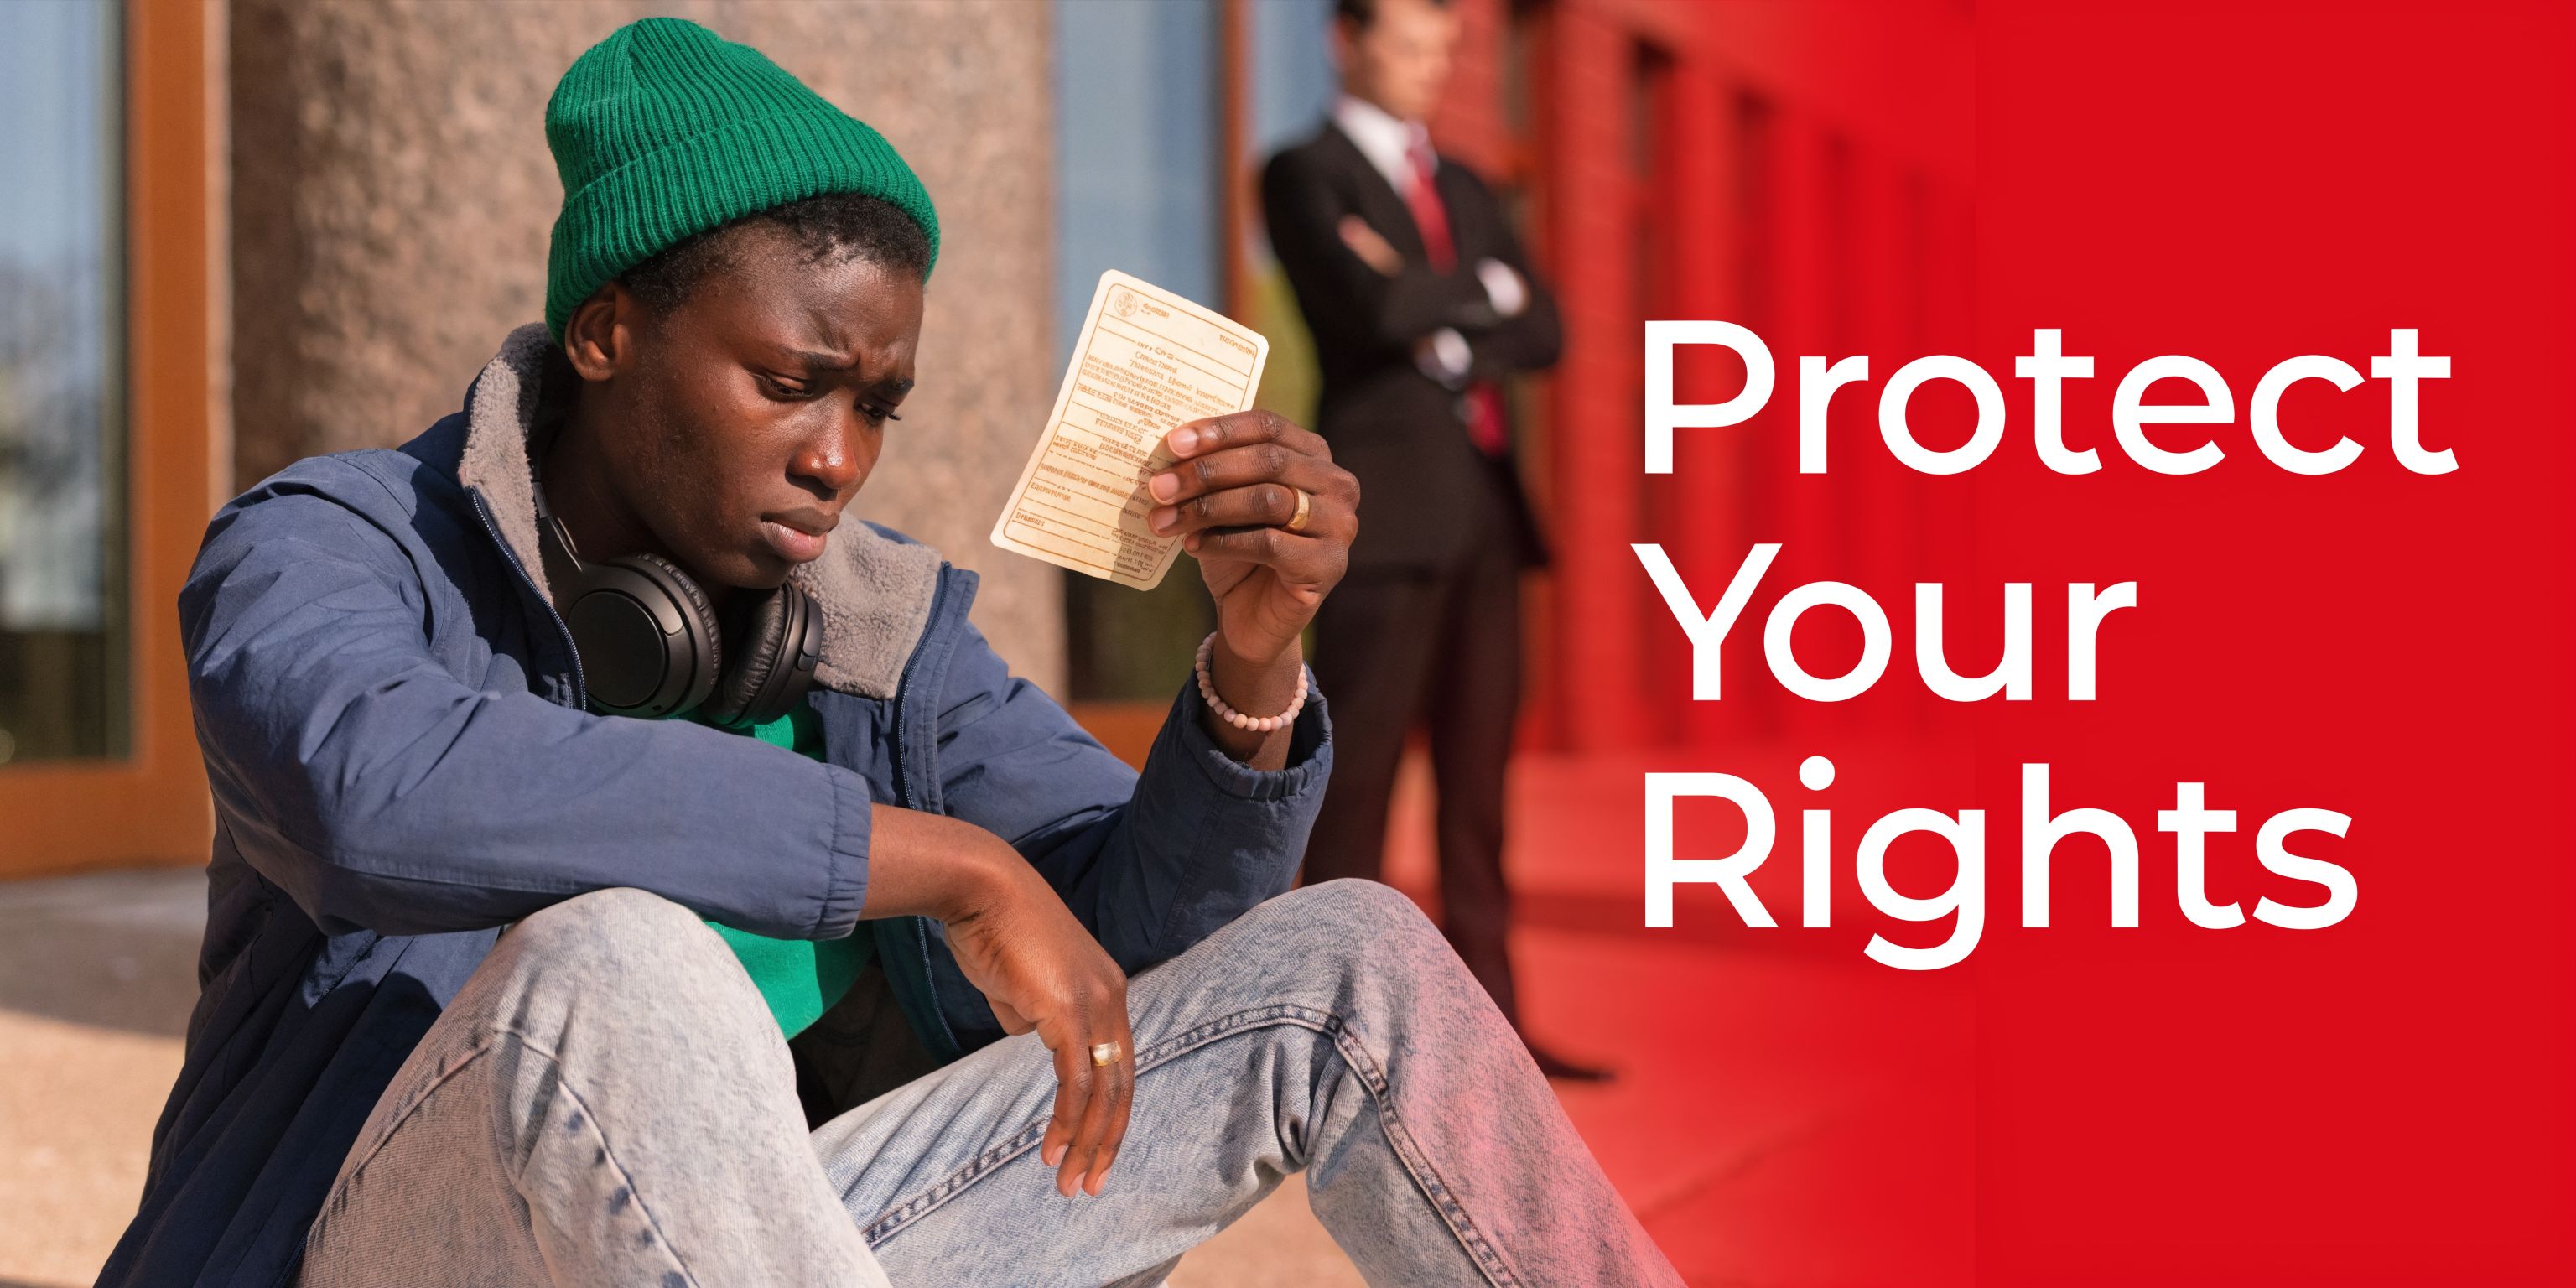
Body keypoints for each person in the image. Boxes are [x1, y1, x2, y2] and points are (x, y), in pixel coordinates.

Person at [98, 18, 1679, 1288]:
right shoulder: (338, 544)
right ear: (607, 334)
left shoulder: (870, 632)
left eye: (877, 405)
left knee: (1356, 958)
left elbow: (1138, 944)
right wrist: (939, 866)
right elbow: (370, 790)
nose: (839, 457)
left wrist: (1252, 671)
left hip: (775, 1246)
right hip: (389, 1243)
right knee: (629, 959)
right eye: (792, 381)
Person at [1262, 0, 1607, 1082]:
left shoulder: (1464, 184)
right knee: (1354, 779)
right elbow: (1368, 313)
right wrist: (1476, 295)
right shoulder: (1303, 172)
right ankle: (1324, 1039)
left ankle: (1493, 1036)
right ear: (1347, 41)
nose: (1432, 66)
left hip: (1488, 519)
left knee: (1478, 791)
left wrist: (1436, 305)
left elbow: (1544, 324)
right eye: (1411, 44)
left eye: (1443, 47)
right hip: (1382, 514)